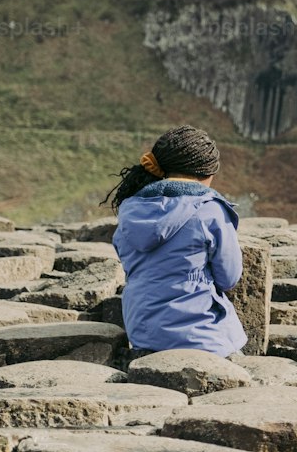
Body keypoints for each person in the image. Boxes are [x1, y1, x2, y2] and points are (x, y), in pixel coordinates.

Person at [103, 124, 248, 357]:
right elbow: (229, 278)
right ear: (206, 174)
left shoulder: (130, 210)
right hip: (203, 338)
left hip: (143, 334)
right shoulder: (211, 211)